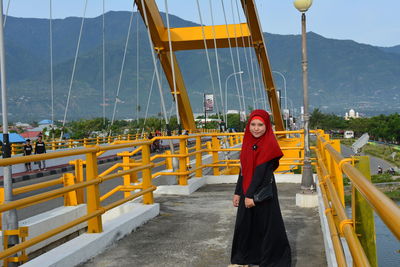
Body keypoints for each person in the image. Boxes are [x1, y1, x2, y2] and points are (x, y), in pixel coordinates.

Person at [231, 109, 291, 267]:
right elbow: (243, 170)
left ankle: (271, 261)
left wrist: (250, 195)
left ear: (267, 127)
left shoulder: (269, 144)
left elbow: (261, 173)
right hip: (246, 190)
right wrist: (238, 192)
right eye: (253, 124)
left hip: (262, 191)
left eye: (260, 125)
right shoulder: (248, 142)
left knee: (267, 227)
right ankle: (245, 259)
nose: (256, 128)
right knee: (245, 226)